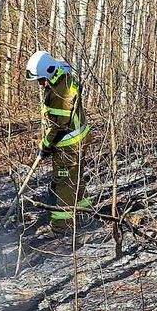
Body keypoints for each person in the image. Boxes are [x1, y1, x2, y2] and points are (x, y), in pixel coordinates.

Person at [25, 51, 91, 235]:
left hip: (68, 147)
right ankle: (85, 212)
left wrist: (45, 146)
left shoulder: (60, 93)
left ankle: (61, 227)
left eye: (40, 79)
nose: (39, 84)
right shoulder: (63, 75)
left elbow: (57, 127)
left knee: (63, 180)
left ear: (49, 71)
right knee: (75, 178)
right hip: (78, 140)